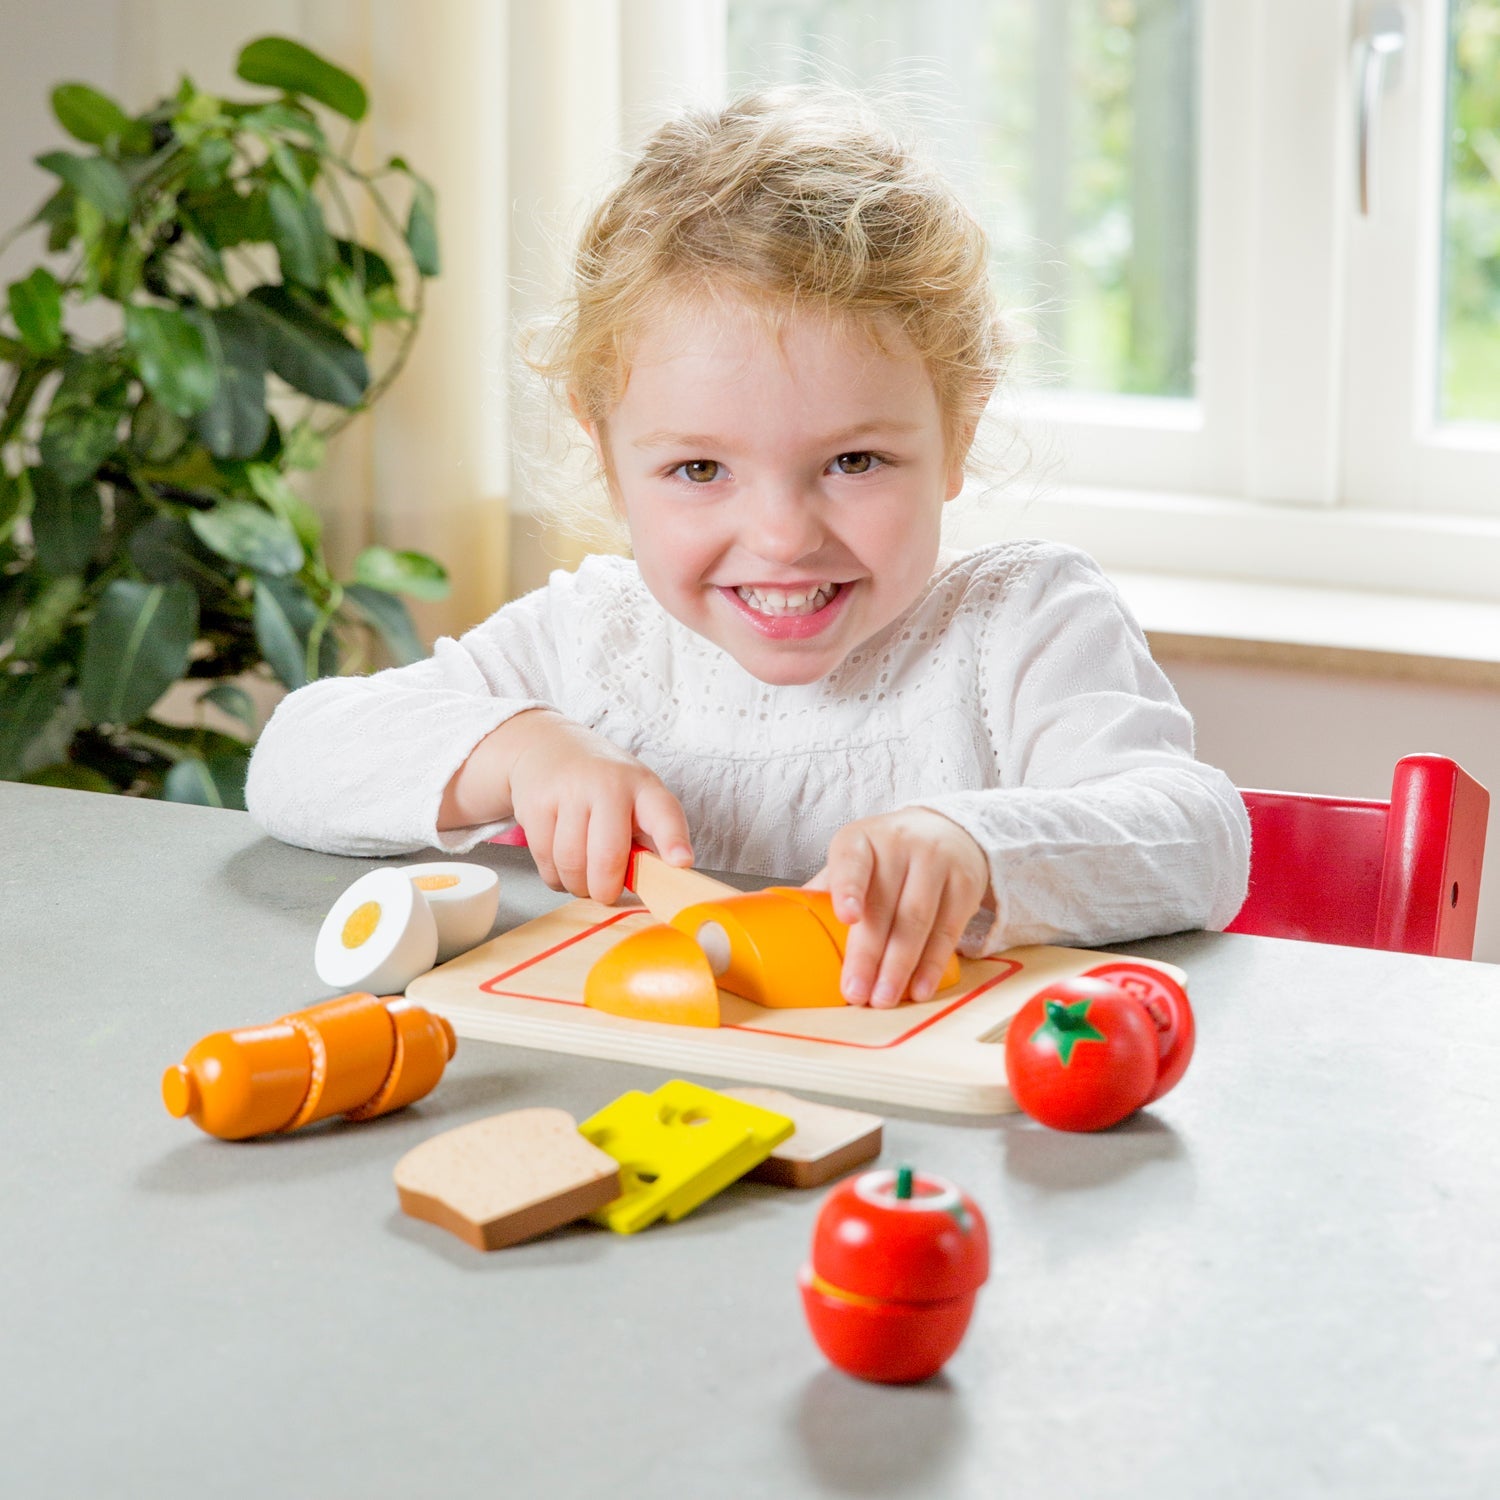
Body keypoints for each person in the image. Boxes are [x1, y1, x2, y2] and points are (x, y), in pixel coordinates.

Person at [246, 87, 1249, 1010]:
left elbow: (1198, 838)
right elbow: (293, 757)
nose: (781, 537)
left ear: (959, 434)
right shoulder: (596, 640)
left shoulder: (1020, 625)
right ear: (607, 459)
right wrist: (519, 750)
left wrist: (977, 843)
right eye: (698, 471)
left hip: (937, 1150)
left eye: (854, 460)